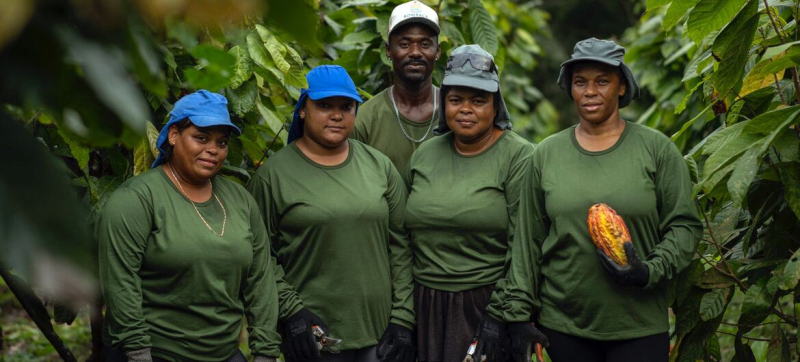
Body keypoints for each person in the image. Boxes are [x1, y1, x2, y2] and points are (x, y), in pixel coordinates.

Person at [485, 38, 704, 362]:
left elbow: (685, 226)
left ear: (620, 87)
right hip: (562, 326)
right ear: (570, 88)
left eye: (602, 81)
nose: (590, 91)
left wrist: (649, 270)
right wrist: (518, 314)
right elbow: (527, 240)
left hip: (639, 327)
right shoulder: (547, 154)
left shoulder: (656, 150)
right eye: (580, 82)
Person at [247, 65, 415, 362]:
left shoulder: (379, 166)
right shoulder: (273, 177)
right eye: (324, 105)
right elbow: (260, 258)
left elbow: (402, 246)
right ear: (302, 110)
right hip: (314, 337)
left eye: (346, 106)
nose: (337, 115)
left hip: (380, 336)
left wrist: (403, 317)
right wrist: (292, 312)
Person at [98, 90, 281, 362]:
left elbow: (261, 281)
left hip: (223, 353)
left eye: (222, 142)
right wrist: (137, 352)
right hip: (153, 353)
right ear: (173, 135)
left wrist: (265, 351)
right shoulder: (136, 199)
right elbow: (121, 283)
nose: (213, 149)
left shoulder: (240, 200)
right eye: (201, 138)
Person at [403, 44, 538, 362]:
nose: (466, 109)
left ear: (496, 106)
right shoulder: (425, 155)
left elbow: (526, 245)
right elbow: (403, 238)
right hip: (426, 305)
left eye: (478, 101)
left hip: (486, 303)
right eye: (455, 100)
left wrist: (501, 315)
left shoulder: (519, 156)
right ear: (443, 103)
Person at [353, 0, 441, 172]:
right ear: (388, 51)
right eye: (404, 44)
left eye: (425, 44)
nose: (415, 52)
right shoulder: (365, 119)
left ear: (437, 51)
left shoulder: (456, 113)